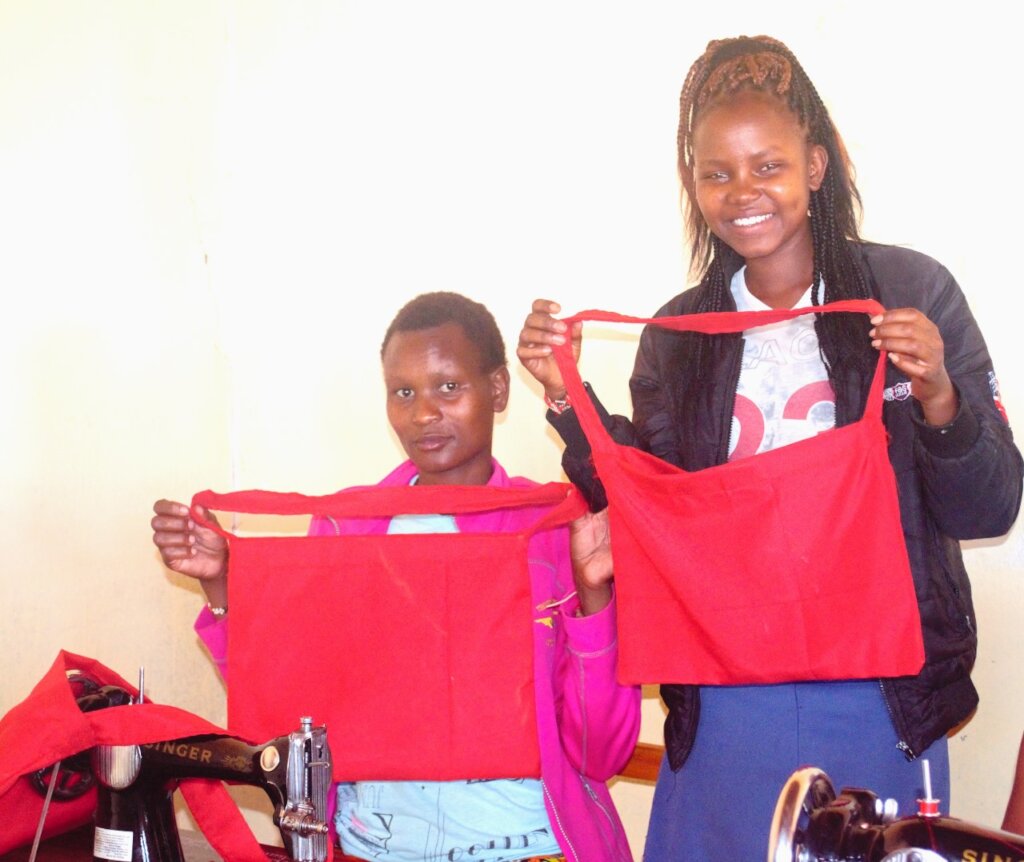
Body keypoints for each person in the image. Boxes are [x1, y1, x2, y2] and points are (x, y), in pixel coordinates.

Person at [516, 35, 1023, 861]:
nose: (743, 192)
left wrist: (940, 397)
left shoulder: (910, 292)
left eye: (768, 165)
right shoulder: (676, 338)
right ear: (694, 185)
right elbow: (654, 519)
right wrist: (564, 395)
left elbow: (991, 504)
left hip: (881, 697)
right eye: (717, 172)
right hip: (723, 697)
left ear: (816, 165)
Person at [151, 291, 640, 862]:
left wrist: (594, 595)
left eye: (449, 387)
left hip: (529, 845)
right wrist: (221, 583)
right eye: (403, 392)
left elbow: (601, 751)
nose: (424, 412)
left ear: (499, 389)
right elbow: (290, 719)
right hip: (371, 848)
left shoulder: (553, 528)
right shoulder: (345, 528)